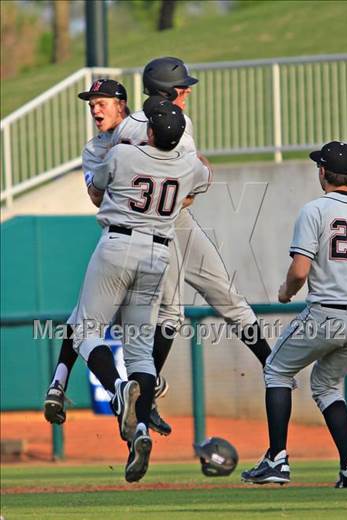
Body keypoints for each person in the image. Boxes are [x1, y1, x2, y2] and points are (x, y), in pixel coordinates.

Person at [44, 56, 272, 434]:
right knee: (195, 306)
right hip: (161, 224)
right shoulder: (173, 125)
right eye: (183, 89)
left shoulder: (120, 137)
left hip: (143, 223)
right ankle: (265, 366)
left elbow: (105, 188)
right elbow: (192, 186)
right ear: (168, 92)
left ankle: (79, 385)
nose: (187, 94)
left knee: (102, 315)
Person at [71, 98, 211, 482]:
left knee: (85, 330)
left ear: (149, 131)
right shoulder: (188, 165)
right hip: (158, 254)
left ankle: (117, 390)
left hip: (119, 244)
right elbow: (204, 177)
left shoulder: (122, 155)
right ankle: (140, 432)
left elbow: (97, 191)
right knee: (141, 354)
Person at [242, 141, 347, 488]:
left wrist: (285, 292)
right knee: (325, 385)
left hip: (327, 313)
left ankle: (277, 459)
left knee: (276, 368)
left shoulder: (315, 210)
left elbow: (300, 270)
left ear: (322, 172)